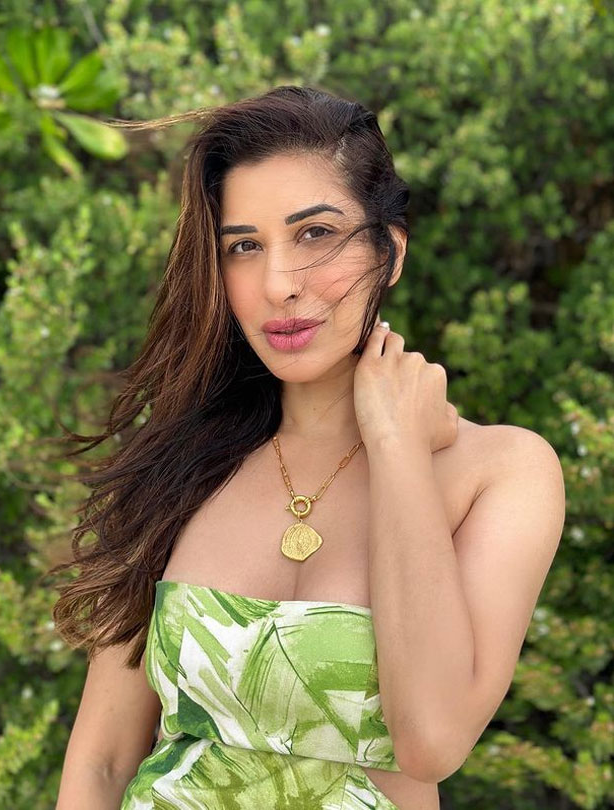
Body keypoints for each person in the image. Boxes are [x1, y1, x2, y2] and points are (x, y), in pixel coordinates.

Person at [51, 85, 565, 810]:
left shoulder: (503, 472)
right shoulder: (182, 467)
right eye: (244, 246)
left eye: (316, 234)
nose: (278, 285)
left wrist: (396, 446)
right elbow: (102, 764)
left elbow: (431, 741)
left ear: (390, 251)